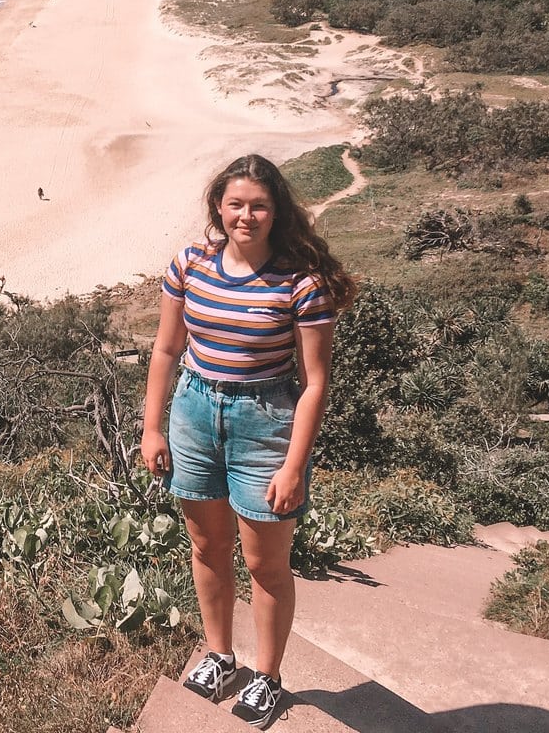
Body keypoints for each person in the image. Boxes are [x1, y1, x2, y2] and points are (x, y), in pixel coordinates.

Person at [141, 154, 356, 729]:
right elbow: (165, 349)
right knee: (206, 547)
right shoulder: (190, 264)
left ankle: (266, 676)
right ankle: (220, 656)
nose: (247, 215)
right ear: (218, 205)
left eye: (259, 205)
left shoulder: (301, 283)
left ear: (276, 211)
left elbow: (314, 384)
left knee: (266, 563)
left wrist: (292, 466)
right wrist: (153, 425)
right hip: (193, 408)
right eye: (236, 204)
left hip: (266, 420)